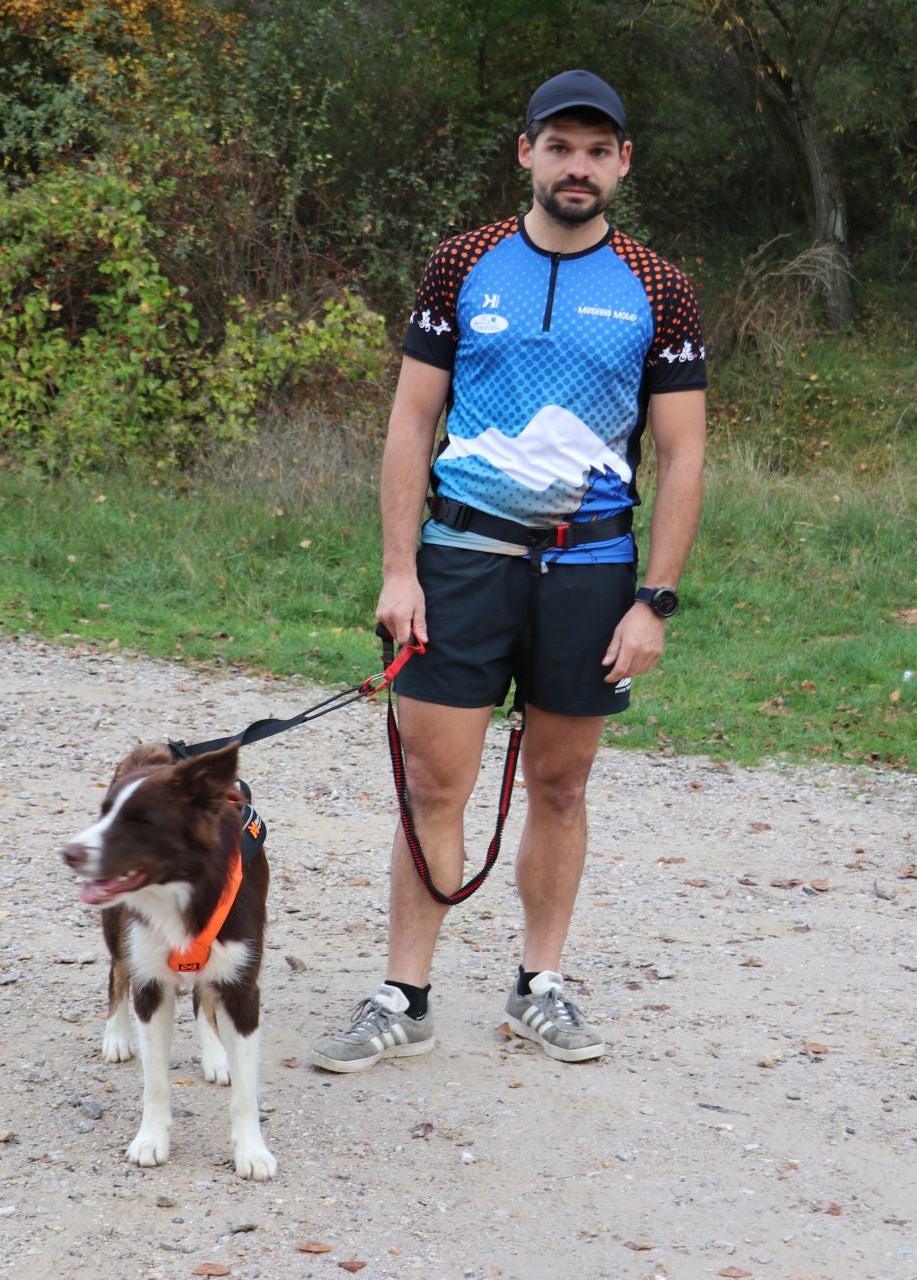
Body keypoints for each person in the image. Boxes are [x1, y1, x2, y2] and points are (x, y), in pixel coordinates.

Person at [309, 69, 707, 1071]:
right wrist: (399, 571)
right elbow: (410, 417)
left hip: (592, 568)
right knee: (431, 777)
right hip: (462, 557)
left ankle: (541, 986)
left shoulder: (659, 285)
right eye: (559, 147)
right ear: (525, 152)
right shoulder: (462, 264)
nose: (578, 167)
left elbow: (686, 453)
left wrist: (653, 600)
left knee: (561, 785)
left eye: (597, 150)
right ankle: (405, 993)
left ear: (622, 164)